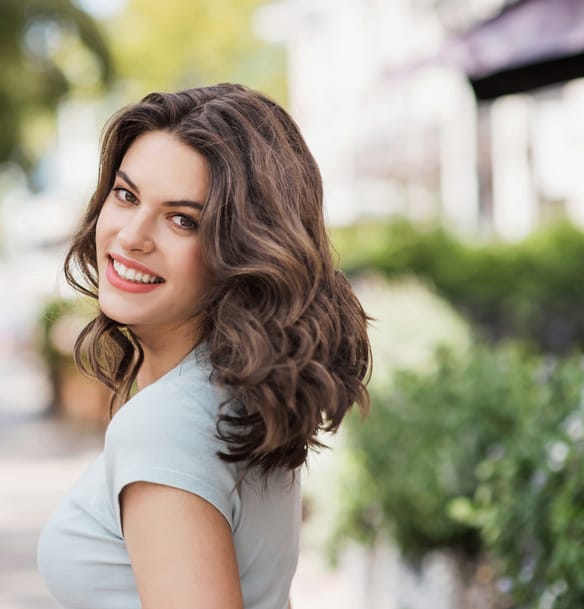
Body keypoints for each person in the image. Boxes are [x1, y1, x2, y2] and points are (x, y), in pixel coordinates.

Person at [36, 83, 371, 609]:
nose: (132, 236)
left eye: (183, 220)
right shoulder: (238, 398)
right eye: (126, 195)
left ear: (241, 251)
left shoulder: (166, 426)